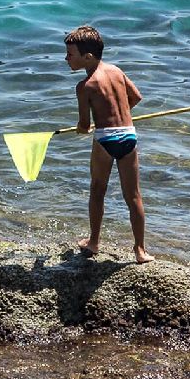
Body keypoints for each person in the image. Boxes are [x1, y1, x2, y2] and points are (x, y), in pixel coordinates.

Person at [64, 25, 154, 264]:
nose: (66, 59)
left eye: (70, 54)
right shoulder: (116, 71)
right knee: (133, 195)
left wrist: (83, 128)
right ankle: (140, 250)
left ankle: (93, 242)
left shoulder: (84, 86)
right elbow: (136, 97)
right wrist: (120, 114)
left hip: (105, 138)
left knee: (97, 190)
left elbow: (84, 125)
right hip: (129, 135)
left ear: (87, 57)